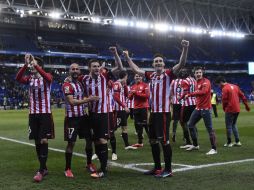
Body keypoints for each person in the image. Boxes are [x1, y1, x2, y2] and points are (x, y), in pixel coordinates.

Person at [123, 39, 189, 178]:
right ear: (153, 64)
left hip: (164, 113)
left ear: (163, 64)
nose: (158, 63)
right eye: (156, 61)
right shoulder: (150, 75)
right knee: (152, 140)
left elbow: (181, 64)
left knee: (164, 141)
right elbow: (135, 69)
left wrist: (185, 48)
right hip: (153, 113)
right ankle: (157, 167)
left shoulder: (169, 74)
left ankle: (168, 169)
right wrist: (128, 58)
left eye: (160, 61)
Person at [16, 54, 55, 182]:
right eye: (31, 64)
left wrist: (35, 65)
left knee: (43, 140)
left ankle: (41, 170)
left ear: (39, 66)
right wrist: (26, 64)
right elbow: (18, 78)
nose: (32, 65)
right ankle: (44, 168)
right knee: (37, 141)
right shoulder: (29, 79)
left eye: (34, 63)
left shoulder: (47, 77)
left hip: (45, 114)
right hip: (33, 114)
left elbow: (48, 78)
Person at [79, 59, 118, 178]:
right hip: (91, 114)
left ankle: (104, 169)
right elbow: (74, 80)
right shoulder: (84, 79)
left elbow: (119, 68)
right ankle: (102, 166)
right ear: (89, 68)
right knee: (95, 140)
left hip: (103, 113)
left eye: (98, 66)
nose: (96, 68)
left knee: (102, 140)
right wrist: (87, 99)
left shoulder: (104, 77)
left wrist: (116, 54)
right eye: (94, 66)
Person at [62, 63, 99, 178]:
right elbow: (72, 102)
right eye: (73, 69)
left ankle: (89, 164)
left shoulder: (80, 84)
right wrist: (89, 99)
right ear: (69, 71)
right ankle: (67, 169)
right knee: (71, 143)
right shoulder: (67, 85)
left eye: (77, 69)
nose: (75, 70)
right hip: (72, 119)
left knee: (89, 140)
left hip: (83, 117)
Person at [182, 67, 217, 155]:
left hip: (206, 109)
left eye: (200, 72)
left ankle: (214, 149)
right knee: (190, 124)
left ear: (202, 73)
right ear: (194, 74)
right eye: (197, 73)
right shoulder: (196, 82)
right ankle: (195, 145)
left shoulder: (206, 81)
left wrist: (190, 94)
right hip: (198, 108)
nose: (198, 74)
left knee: (209, 129)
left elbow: (204, 91)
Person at [215, 76, 250, 147]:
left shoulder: (224, 88)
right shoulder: (235, 86)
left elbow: (224, 100)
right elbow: (242, 96)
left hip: (230, 109)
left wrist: (224, 108)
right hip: (237, 109)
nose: (218, 86)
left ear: (221, 82)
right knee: (234, 124)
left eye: (218, 84)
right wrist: (246, 105)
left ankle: (229, 142)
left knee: (228, 126)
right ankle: (237, 141)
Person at [113, 70, 137, 150]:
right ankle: (103, 143)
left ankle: (127, 145)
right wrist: (124, 106)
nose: (127, 78)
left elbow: (127, 95)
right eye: (126, 77)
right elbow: (115, 97)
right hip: (117, 110)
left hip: (122, 110)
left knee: (124, 127)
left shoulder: (122, 85)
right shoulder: (117, 84)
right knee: (113, 128)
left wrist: (125, 85)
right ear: (125, 76)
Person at [128, 73, 150, 147]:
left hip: (143, 107)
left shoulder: (145, 85)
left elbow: (146, 96)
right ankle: (140, 142)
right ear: (134, 77)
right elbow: (130, 98)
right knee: (138, 125)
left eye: (139, 76)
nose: (138, 77)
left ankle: (152, 139)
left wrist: (136, 93)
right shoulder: (133, 86)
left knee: (145, 124)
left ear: (142, 77)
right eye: (136, 76)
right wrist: (130, 94)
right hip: (136, 108)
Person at [178, 68, 196, 149]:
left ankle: (188, 141)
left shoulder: (184, 81)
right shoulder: (194, 80)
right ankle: (195, 141)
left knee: (182, 122)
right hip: (194, 103)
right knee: (192, 122)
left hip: (187, 103)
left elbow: (185, 93)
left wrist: (179, 98)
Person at [170, 76, 183, 142]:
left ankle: (174, 133)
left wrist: (172, 98)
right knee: (183, 120)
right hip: (183, 102)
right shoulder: (184, 81)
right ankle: (185, 136)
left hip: (175, 102)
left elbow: (170, 91)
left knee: (175, 120)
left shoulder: (173, 81)